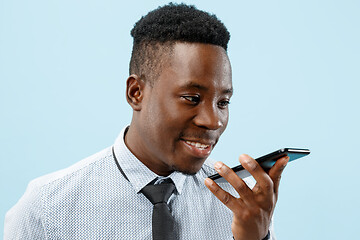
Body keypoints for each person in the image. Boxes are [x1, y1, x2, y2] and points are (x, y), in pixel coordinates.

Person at [4, 3, 289, 240]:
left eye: (223, 102)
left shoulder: (243, 208)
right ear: (136, 93)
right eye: (191, 97)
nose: (213, 121)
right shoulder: (47, 207)